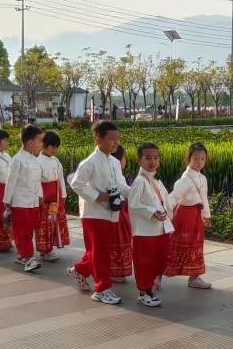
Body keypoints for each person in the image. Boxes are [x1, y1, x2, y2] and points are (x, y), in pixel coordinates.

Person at [68, 120, 130, 305]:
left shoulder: (114, 162)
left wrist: (137, 194)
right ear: (98, 139)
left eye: (117, 139)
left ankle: (80, 269)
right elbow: (76, 183)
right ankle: (102, 289)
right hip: (93, 214)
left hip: (111, 212)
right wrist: (98, 196)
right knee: (100, 252)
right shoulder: (89, 162)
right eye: (111, 140)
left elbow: (121, 185)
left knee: (99, 250)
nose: (115, 143)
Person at [128, 142, 174, 307]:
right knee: (145, 262)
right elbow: (133, 204)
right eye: (148, 158)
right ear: (139, 160)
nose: (152, 161)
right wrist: (151, 212)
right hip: (145, 231)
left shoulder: (156, 179)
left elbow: (165, 200)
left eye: (155, 158)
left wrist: (169, 214)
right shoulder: (139, 181)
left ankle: (149, 288)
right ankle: (144, 292)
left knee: (159, 260)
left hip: (160, 229)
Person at [165, 142, 212, 289]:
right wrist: (163, 212)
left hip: (196, 217)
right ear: (189, 159)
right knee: (175, 248)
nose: (199, 162)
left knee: (196, 246)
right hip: (183, 217)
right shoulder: (184, 180)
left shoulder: (202, 178)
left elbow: (204, 199)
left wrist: (206, 216)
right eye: (196, 158)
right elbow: (172, 198)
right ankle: (158, 275)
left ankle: (194, 277)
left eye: (202, 159)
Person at [3, 124, 44, 272]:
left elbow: (38, 180)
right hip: (20, 201)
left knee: (29, 229)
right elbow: (10, 181)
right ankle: (28, 258)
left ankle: (22, 255)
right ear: (30, 142)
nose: (42, 144)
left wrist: (40, 196)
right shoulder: (17, 160)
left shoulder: (35, 160)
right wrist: (7, 201)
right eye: (40, 140)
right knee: (22, 231)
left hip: (32, 202)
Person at [36, 131, 70, 262]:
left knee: (54, 222)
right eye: (52, 147)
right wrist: (40, 197)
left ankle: (51, 247)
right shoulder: (38, 162)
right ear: (44, 145)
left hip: (56, 196)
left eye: (57, 148)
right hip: (45, 196)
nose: (55, 150)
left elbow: (61, 178)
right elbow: (37, 181)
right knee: (44, 223)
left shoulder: (56, 161)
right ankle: (45, 250)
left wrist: (64, 195)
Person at [109, 145, 132, 282]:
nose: (125, 161)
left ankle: (119, 270)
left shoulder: (117, 172)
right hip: (116, 211)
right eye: (125, 157)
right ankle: (114, 270)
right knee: (117, 241)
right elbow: (123, 189)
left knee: (122, 241)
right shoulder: (115, 171)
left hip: (121, 210)